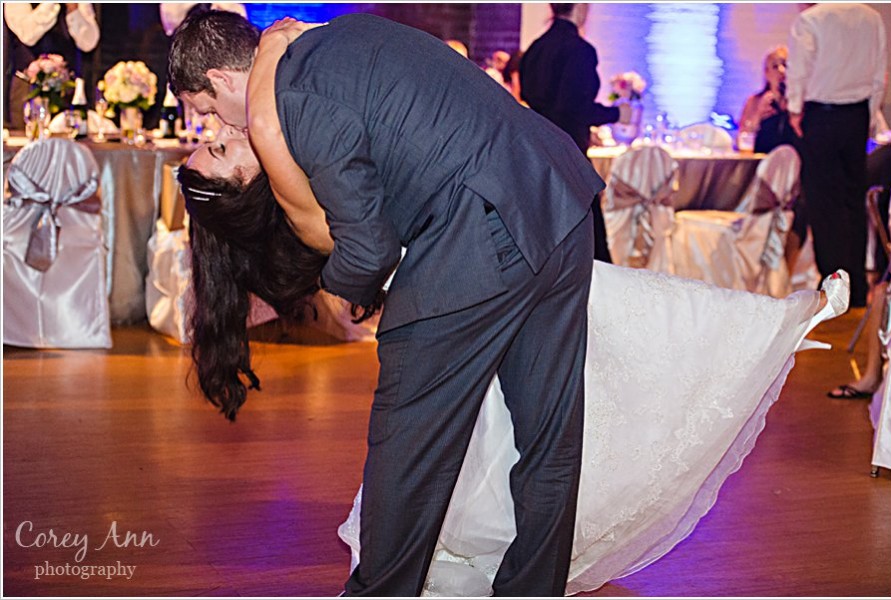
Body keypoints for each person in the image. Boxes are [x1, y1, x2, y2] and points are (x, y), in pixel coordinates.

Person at [178, 121, 851, 594]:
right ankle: (770, 323)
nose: (220, 129)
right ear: (242, 187)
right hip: (465, 270)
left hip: (480, 258)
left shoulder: (295, 165)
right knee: (586, 348)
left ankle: (771, 322)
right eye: (214, 145)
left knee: (600, 332)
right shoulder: (301, 187)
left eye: (209, 131)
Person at [170, 11, 602, 596]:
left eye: (206, 111)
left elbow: (369, 248)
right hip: (559, 193)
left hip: (482, 231)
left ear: (222, 80)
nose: (214, 123)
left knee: (408, 447)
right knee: (549, 434)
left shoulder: (290, 102)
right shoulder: (329, 40)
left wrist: (343, 289)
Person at [787, 2, 887, 308]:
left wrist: (794, 110)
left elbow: (799, 71)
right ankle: (855, 286)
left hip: (821, 115)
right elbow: (879, 75)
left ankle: (832, 286)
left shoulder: (810, 19)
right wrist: (868, 116)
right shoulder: (872, 17)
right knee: (852, 202)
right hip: (856, 115)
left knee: (823, 202)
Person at [519, 3, 629, 262]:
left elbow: (529, 97)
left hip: (536, 155)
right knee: (590, 246)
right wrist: (616, 114)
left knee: (543, 242)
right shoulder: (580, 50)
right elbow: (574, 107)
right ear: (580, 7)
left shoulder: (535, 49)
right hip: (569, 157)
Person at [4, 2, 99, 128]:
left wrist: (73, 11)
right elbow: (27, 35)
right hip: (28, 87)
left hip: (67, 89)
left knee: (66, 142)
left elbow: (89, 43)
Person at [738, 45, 799, 154]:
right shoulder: (755, 101)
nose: (781, 70)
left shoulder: (799, 102)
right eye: (775, 66)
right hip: (762, 160)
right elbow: (742, 138)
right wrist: (758, 116)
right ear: (767, 72)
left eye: (785, 65)